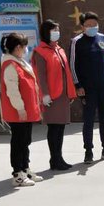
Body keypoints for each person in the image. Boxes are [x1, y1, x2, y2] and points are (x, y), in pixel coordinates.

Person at [69, 11, 104, 164]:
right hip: (87, 89)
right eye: (89, 25)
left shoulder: (103, 38)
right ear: (82, 26)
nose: (92, 27)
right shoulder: (76, 42)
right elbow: (72, 65)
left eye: (95, 24)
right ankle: (88, 151)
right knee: (89, 120)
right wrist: (78, 85)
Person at [32, 19, 77, 171]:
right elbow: (41, 76)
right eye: (54, 30)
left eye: (58, 30)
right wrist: (44, 94)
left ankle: (59, 158)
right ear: (46, 32)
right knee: (54, 128)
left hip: (62, 94)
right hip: (51, 96)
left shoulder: (59, 49)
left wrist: (70, 92)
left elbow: (66, 72)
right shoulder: (40, 51)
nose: (57, 33)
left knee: (60, 127)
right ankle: (55, 159)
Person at [0, 33, 43, 187]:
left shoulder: (19, 62)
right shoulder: (10, 65)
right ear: (18, 47)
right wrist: (20, 108)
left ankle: (25, 168)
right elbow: (12, 90)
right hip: (18, 111)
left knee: (25, 140)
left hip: (25, 110)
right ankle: (18, 174)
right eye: (24, 46)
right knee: (18, 142)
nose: (26, 49)